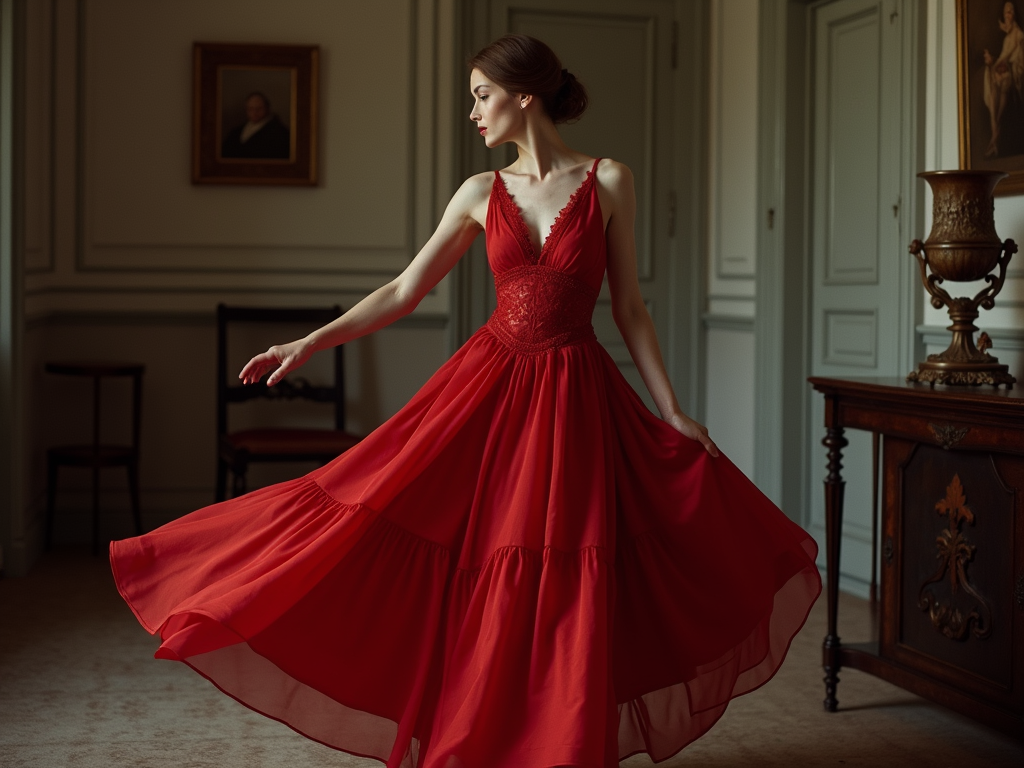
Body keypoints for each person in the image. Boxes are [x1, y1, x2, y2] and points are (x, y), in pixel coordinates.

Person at [111, 34, 821, 768]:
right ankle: (486, 736)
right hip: (491, 388)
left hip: (577, 395)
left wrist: (672, 409)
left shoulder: (611, 180)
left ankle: (562, 740)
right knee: (421, 525)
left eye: (482, 95)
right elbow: (401, 290)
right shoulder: (479, 192)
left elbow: (631, 308)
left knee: (571, 563)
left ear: (524, 93)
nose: (474, 113)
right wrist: (309, 343)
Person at [983, 1, 1024, 158]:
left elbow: (1009, 56)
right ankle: (995, 135)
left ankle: (995, 136)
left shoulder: (1019, 35)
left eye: (1010, 12)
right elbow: (1002, 57)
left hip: (1011, 72)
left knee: (1001, 80)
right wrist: (993, 62)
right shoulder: (1008, 35)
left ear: (1013, 15)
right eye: (1006, 12)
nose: (1008, 15)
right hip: (1003, 68)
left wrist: (997, 63)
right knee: (991, 81)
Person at [221, 91, 291, 159]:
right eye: (250, 109)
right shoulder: (236, 132)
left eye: (259, 108)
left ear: (267, 108)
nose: (254, 112)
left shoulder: (280, 133)